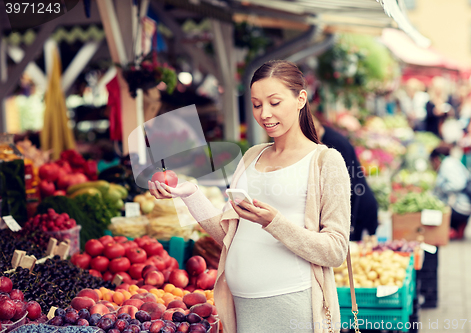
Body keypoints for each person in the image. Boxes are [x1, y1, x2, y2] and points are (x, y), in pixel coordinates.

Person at [149, 60, 351, 333]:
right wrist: (190, 194)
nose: (264, 113)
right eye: (256, 105)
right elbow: (229, 235)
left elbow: (336, 250)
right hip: (241, 304)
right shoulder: (252, 156)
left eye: (274, 102)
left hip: (291, 303)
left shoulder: (326, 161)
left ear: (301, 98)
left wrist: (274, 222)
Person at [313, 116, 378, 241]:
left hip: (359, 208)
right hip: (359, 201)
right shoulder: (326, 135)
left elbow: (346, 183)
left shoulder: (333, 144)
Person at [430, 146, 471, 240]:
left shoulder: (447, 165)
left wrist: (442, 189)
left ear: (436, 159)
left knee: (438, 208)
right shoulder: (452, 161)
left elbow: (458, 184)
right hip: (468, 204)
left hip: (462, 206)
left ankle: (453, 229)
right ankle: (458, 228)